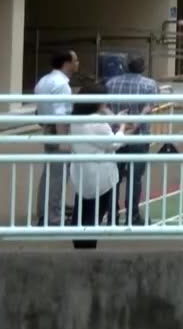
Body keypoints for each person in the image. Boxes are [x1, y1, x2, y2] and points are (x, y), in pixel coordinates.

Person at [105, 55, 159, 227]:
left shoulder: (110, 83)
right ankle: (132, 216)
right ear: (143, 67)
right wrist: (136, 123)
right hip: (139, 135)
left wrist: (116, 120)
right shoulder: (149, 84)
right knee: (135, 178)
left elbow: (104, 105)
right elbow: (148, 107)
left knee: (114, 178)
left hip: (116, 134)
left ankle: (112, 215)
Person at [65, 94, 122, 250]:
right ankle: (88, 251)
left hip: (82, 176)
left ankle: (79, 248)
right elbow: (114, 143)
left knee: (81, 214)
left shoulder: (75, 121)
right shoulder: (98, 123)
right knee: (93, 216)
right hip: (100, 178)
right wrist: (123, 128)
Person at [34, 51, 76, 228]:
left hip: (47, 129)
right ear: (67, 63)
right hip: (59, 131)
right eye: (75, 60)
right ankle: (53, 218)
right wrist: (63, 140)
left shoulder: (44, 81)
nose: (77, 64)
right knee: (58, 177)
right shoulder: (62, 85)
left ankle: (45, 212)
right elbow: (60, 114)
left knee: (49, 174)